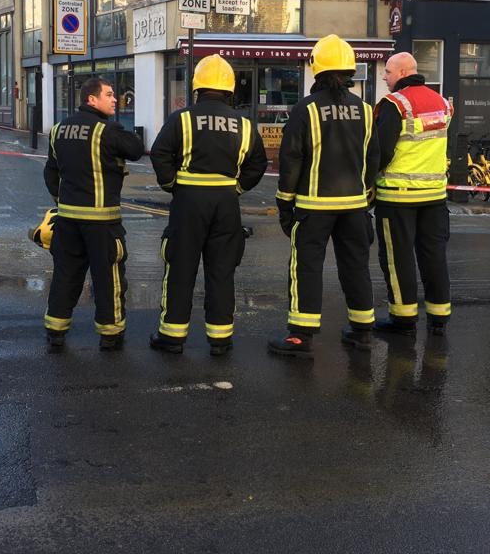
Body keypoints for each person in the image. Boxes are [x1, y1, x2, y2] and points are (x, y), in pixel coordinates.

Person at [268, 35, 380, 358]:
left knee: (306, 269)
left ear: (315, 70)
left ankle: (301, 337)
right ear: (348, 70)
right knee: (356, 266)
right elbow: (374, 158)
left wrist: (284, 205)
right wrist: (366, 196)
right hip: (355, 207)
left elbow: (291, 161)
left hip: (313, 207)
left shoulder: (305, 110)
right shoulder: (366, 111)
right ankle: (363, 331)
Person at [149, 54, 269, 356]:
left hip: (189, 202)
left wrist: (172, 185)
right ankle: (220, 340)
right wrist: (237, 187)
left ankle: (173, 338)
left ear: (197, 89)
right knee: (221, 271)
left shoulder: (182, 119)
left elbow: (160, 153)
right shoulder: (244, 124)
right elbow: (257, 164)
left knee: (180, 268)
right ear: (230, 90)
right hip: (226, 203)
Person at [43, 76, 144, 351]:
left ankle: (55, 329)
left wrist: (62, 200)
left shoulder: (57, 130)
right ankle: (110, 334)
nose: (115, 99)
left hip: (68, 219)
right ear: (92, 99)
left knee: (65, 274)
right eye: (109, 95)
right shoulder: (106, 131)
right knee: (107, 277)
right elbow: (135, 149)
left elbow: (51, 173)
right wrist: (118, 128)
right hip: (102, 222)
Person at [372, 52, 454, 338]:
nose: (385, 77)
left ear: (404, 72)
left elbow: (381, 150)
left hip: (398, 197)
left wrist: (369, 181)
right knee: (434, 256)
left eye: (389, 72)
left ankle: (403, 319)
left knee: (398, 258)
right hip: (434, 195)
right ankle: (439, 316)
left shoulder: (396, 104)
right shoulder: (442, 103)